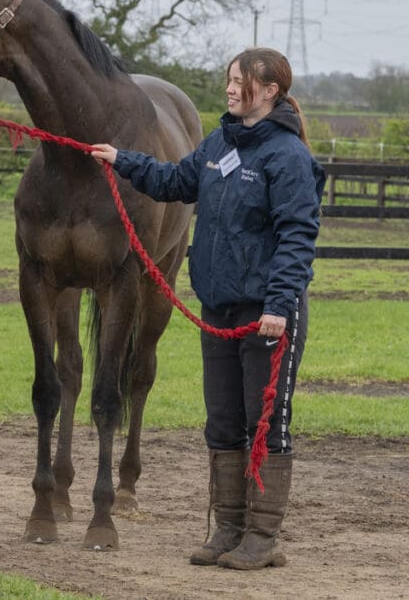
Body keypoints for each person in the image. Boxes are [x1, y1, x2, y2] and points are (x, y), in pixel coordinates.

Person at [90, 47, 325, 570]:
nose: (231, 88)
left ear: (270, 91)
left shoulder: (288, 158)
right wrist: (121, 160)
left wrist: (280, 305)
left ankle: (263, 537)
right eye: (229, 79)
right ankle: (228, 530)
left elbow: (296, 238)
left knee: (265, 424)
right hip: (219, 311)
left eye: (240, 81)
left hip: (268, 315)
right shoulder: (221, 143)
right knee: (222, 424)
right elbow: (176, 183)